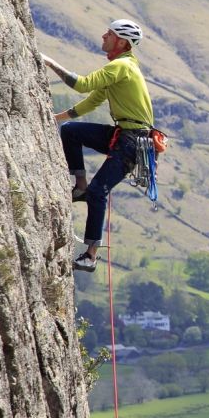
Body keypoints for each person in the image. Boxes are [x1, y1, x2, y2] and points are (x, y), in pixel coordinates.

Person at [39, 18, 155, 272]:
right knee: (70, 132)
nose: (103, 36)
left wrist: (48, 62)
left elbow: (82, 85)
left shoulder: (121, 67)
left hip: (132, 141)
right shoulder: (121, 69)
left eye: (109, 34)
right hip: (125, 135)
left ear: (122, 42)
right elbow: (92, 102)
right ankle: (79, 188)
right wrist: (56, 119)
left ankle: (90, 256)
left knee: (98, 191)